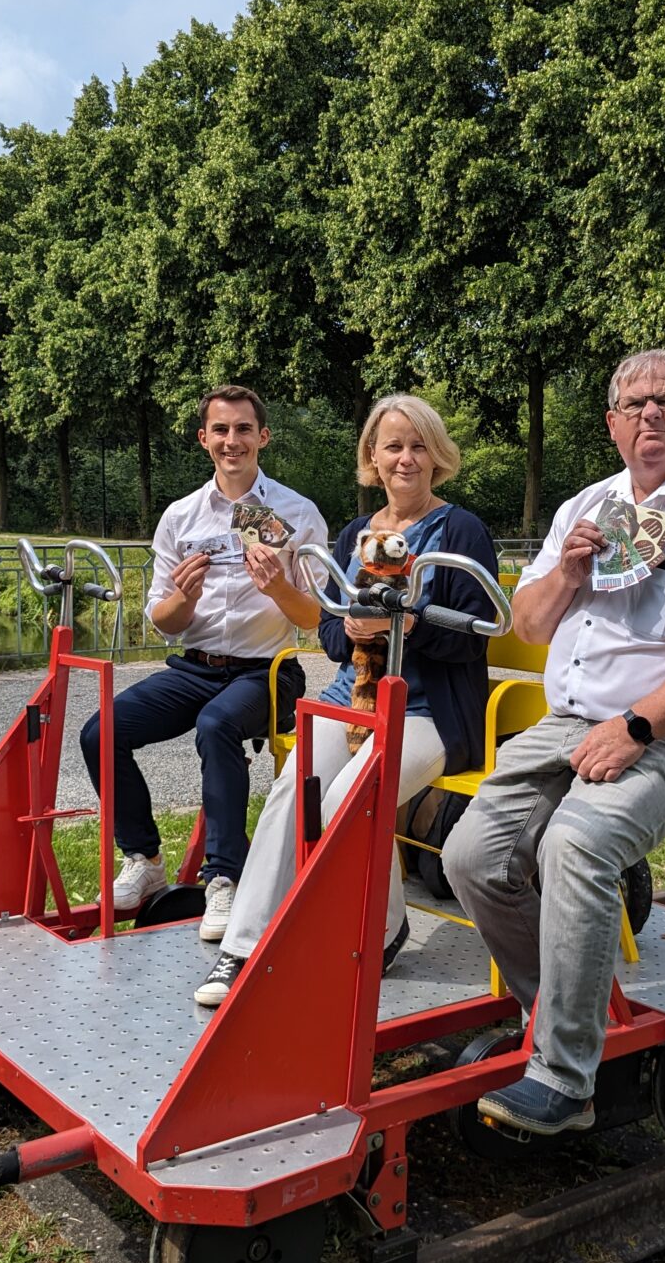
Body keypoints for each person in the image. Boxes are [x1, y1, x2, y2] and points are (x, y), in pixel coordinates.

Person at [442, 348, 665, 1137]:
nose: (650, 415)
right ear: (611, 425)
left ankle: (569, 1078)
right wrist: (565, 573)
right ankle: (559, 1011)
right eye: (633, 406)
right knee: (470, 857)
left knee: (578, 843)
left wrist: (637, 727)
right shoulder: (584, 507)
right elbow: (527, 624)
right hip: (570, 722)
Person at [194, 393, 498, 1006]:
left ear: (436, 455)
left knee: (349, 797)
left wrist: (410, 626)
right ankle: (244, 947)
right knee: (294, 786)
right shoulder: (359, 532)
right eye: (393, 446)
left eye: (418, 446)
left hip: (428, 709)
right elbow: (331, 633)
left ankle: (379, 933)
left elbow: (478, 632)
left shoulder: (460, 529)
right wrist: (355, 628)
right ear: (373, 458)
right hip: (352, 695)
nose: (405, 459)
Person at [80, 385, 328, 941]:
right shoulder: (181, 516)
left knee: (218, 726)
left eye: (243, 429)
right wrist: (183, 601)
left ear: (263, 437)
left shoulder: (295, 512)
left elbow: (315, 616)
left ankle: (225, 878)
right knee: (101, 732)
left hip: (266, 671)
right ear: (203, 439)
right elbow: (162, 619)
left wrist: (280, 587)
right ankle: (143, 861)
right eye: (221, 430)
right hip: (194, 666)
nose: (232, 440)